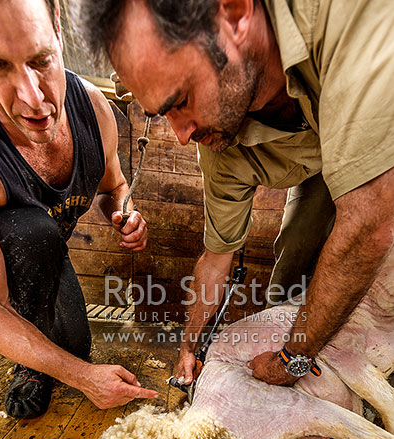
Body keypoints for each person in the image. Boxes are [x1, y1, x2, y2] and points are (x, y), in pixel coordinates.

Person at [77, 0, 394, 387]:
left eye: (181, 101)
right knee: (293, 258)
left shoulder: (344, 18)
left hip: (382, 146)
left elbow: (369, 222)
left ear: (235, 13)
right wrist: (189, 345)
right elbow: (216, 259)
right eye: (163, 114)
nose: (180, 136)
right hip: (322, 162)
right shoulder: (219, 147)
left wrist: (290, 360)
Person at [0, 0, 159, 419]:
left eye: (42, 60)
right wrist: (83, 378)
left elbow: (113, 184)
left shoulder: (94, 110)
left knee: (76, 344)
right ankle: (27, 366)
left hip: (47, 255)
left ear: (59, 30)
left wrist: (125, 212)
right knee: (29, 230)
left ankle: (45, 343)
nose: (33, 97)